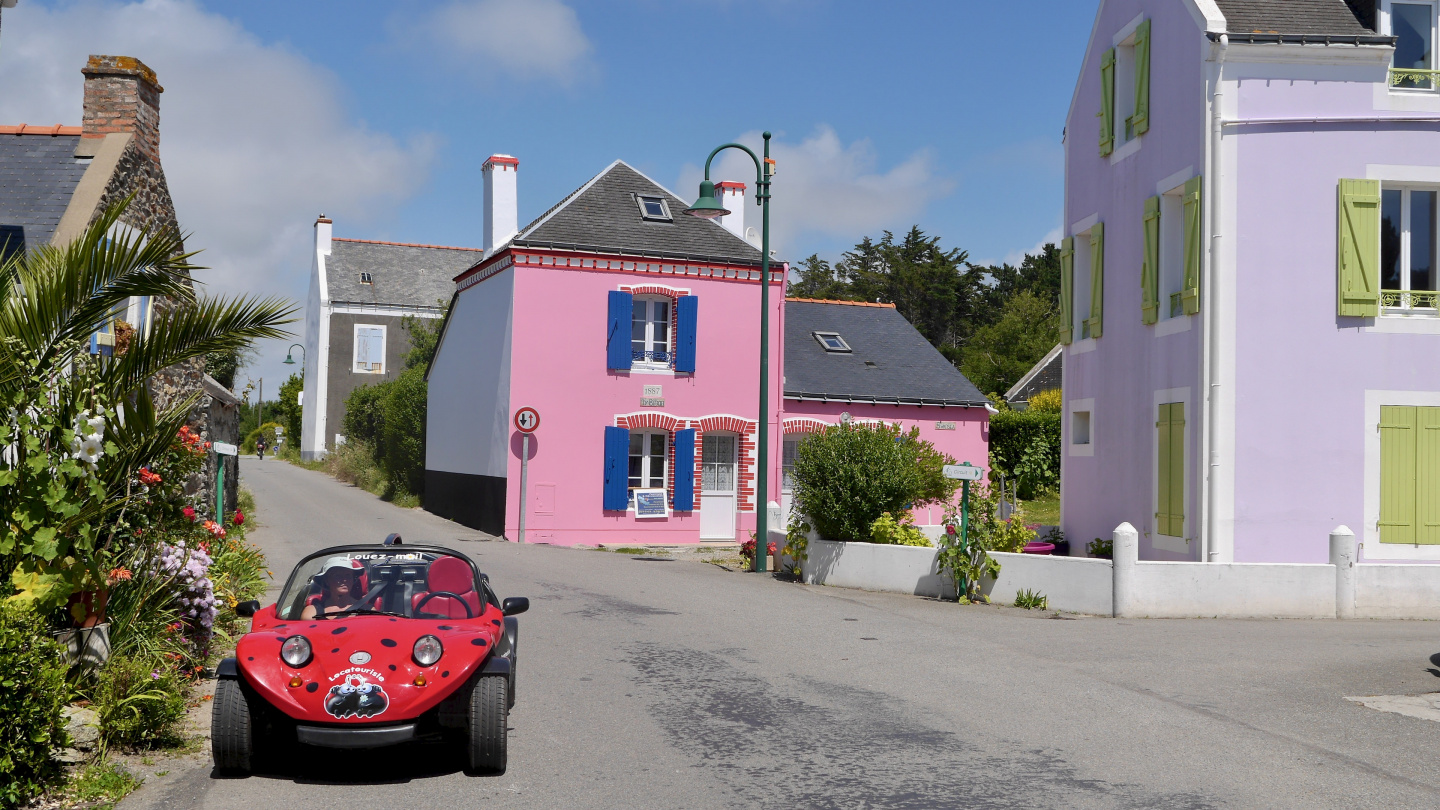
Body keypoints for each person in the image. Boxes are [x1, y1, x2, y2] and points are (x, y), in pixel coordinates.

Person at [301, 557, 366, 619]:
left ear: (353, 579)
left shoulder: (368, 611)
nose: (344, 580)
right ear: (327, 581)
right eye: (337, 576)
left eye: (348, 575)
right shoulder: (312, 613)